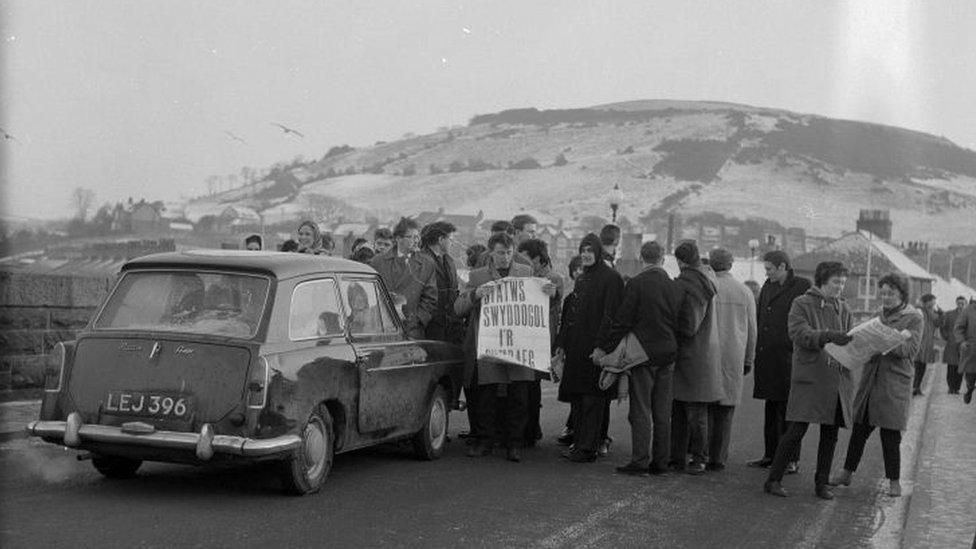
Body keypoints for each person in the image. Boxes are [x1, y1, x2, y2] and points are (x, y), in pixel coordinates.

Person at [455, 232, 550, 462]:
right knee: (486, 396)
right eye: (500, 253)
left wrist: (551, 293)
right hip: (489, 345)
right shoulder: (477, 276)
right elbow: (458, 308)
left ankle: (514, 443)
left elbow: (541, 301)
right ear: (491, 252)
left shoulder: (526, 272)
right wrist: (476, 294)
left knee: (519, 396)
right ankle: (486, 441)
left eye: (509, 252)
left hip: (518, 346)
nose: (505, 258)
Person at [764, 261, 854, 500]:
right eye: (836, 282)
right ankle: (773, 479)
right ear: (823, 280)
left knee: (830, 434)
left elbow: (850, 340)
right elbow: (798, 333)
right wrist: (826, 336)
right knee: (796, 430)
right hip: (811, 376)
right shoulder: (801, 303)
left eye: (843, 283)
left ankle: (821, 484)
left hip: (835, 378)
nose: (840, 287)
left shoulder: (844, 308)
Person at [830, 274, 923, 497]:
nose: (886, 297)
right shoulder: (877, 316)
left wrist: (887, 343)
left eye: (891, 293)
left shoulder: (914, 318)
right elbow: (867, 348)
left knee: (890, 434)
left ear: (902, 294)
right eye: (883, 293)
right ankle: (846, 473)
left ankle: (894, 481)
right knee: (860, 429)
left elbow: (911, 351)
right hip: (870, 381)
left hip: (894, 383)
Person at [593, 241, 679, 476]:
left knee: (641, 409)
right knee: (662, 411)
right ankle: (661, 462)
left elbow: (622, 320)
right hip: (669, 353)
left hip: (642, 354)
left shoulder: (637, 284)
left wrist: (604, 348)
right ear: (662, 259)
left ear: (642, 259)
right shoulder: (674, 286)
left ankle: (640, 460)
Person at [557, 234, 624, 462]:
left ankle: (588, 448)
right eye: (582, 250)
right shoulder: (583, 278)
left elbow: (611, 316)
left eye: (589, 250)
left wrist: (601, 347)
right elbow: (572, 314)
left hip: (594, 351)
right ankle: (580, 444)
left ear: (597, 252)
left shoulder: (611, 278)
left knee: (592, 401)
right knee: (577, 399)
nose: (585, 255)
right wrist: (562, 345)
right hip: (576, 349)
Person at [748, 250, 811, 474]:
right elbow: (760, 317)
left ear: (783, 266)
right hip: (768, 356)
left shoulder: (802, 286)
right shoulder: (768, 286)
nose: (767, 273)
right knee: (771, 408)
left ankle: (790, 459)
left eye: (770, 269)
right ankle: (770, 455)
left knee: (789, 411)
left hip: (788, 357)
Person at [669, 241, 723, 475]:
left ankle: (693, 458)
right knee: (694, 411)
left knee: (687, 412)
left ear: (680, 262)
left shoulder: (689, 284)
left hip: (688, 355)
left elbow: (688, 324)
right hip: (703, 356)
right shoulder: (706, 280)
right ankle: (692, 457)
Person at [707, 248, 757, 471]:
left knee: (704, 406)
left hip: (707, 353)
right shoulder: (744, 292)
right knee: (725, 411)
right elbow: (752, 331)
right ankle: (718, 457)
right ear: (731, 264)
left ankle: (700, 452)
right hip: (734, 355)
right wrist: (749, 358)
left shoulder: (707, 287)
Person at [517, 238, 565, 447]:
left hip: (540, 338)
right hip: (526, 337)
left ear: (537, 258)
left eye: (525, 258)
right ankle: (529, 430)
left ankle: (531, 430)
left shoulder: (553, 278)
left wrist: (554, 294)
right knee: (526, 385)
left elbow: (557, 302)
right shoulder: (525, 275)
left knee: (531, 385)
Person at [370, 217, 437, 339]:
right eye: (412, 237)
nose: (417, 241)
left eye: (418, 237)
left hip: (411, 332)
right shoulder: (377, 262)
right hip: (382, 330)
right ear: (398, 238)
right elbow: (370, 295)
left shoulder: (427, 264)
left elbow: (430, 300)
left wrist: (416, 320)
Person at [555, 255, 584, 446]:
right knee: (575, 393)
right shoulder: (569, 299)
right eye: (576, 269)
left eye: (582, 268)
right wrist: (560, 348)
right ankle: (573, 427)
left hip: (586, 351)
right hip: (571, 352)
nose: (579, 272)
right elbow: (564, 325)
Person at [420, 221, 462, 343]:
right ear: (441, 239)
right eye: (451, 239)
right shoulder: (420, 261)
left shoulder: (449, 261)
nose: (452, 244)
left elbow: (454, 291)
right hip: (429, 327)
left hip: (450, 326)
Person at [912, 294, 942, 396]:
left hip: (927, 342)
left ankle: (917, 387)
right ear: (927, 302)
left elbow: (937, 323)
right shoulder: (919, 311)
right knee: (917, 366)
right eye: (933, 301)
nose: (934, 303)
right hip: (920, 342)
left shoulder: (930, 311)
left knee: (923, 365)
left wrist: (941, 314)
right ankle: (914, 387)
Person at [941, 296, 968, 394]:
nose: (960, 305)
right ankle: (950, 387)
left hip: (963, 345)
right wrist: (946, 337)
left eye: (962, 303)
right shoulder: (949, 314)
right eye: (959, 303)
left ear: (965, 304)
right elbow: (943, 327)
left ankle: (957, 388)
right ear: (956, 303)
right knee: (951, 367)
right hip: (952, 344)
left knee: (960, 368)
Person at [955, 297, 976, 404]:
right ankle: (969, 389)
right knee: (971, 379)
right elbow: (958, 328)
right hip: (972, 351)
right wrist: (961, 341)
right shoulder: (967, 311)